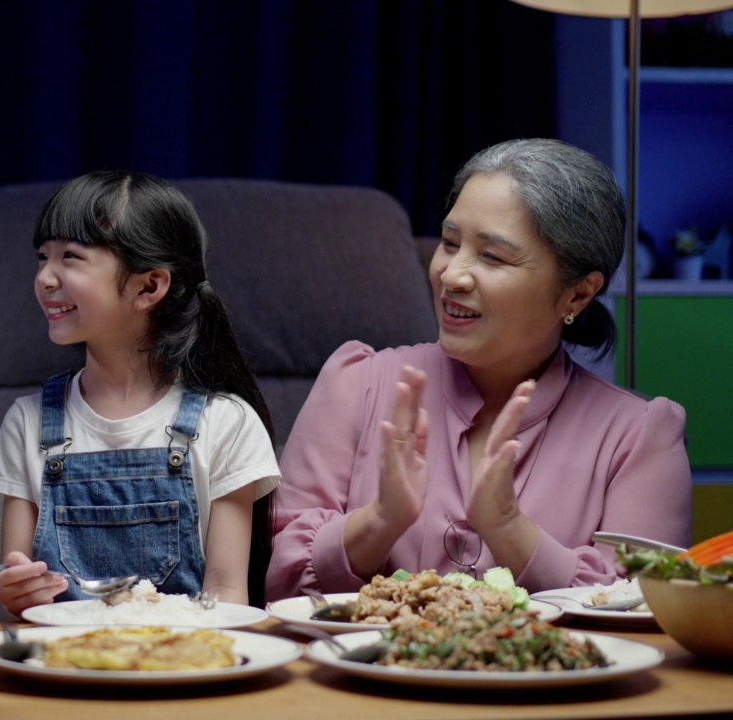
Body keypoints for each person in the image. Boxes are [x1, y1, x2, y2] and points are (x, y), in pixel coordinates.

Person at [266, 138, 692, 600]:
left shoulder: (639, 438)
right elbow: (282, 582)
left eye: (492, 256)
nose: (452, 275)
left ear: (578, 294)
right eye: (450, 243)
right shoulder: (356, 383)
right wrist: (380, 520)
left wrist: (510, 530)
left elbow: (644, 608)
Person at [0, 171, 280, 617]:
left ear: (149, 286)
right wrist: (15, 591)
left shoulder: (226, 423)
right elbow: (19, 588)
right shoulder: (26, 423)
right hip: (60, 669)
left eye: (71, 256)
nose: (45, 277)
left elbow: (227, 595)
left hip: (180, 667)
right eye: (42, 256)